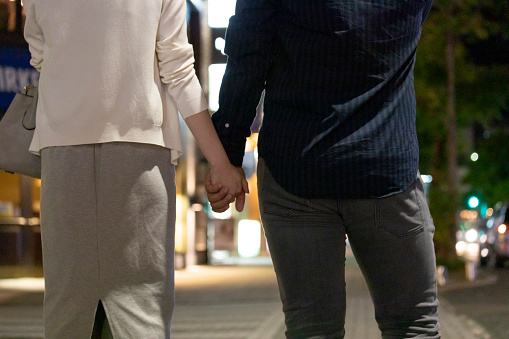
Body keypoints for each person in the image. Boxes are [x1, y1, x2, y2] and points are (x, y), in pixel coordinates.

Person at [205, 1, 440, 338]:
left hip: (297, 166)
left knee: (312, 329)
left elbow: (249, 47)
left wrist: (226, 152)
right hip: (385, 164)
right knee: (412, 325)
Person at [23, 0, 247, 338]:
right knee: (141, 311)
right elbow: (177, 68)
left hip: (63, 154)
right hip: (140, 157)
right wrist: (220, 163)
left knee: (66, 307)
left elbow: (40, 55)